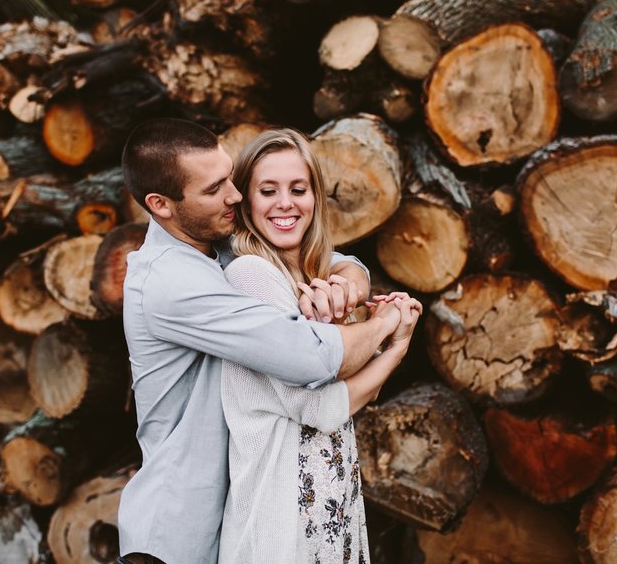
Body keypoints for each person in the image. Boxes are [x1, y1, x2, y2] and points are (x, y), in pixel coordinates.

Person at [119, 118, 410, 564]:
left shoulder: (208, 242)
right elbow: (312, 358)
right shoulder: (172, 283)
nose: (234, 196)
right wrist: (386, 327)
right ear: (161, 204)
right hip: (178, 536)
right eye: (216, 188)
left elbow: (307, 250)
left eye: (232, 180)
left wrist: (351, 278)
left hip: (235, 507)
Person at [220, 129, 421, 563]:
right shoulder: (251, 276)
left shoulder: (310, 273)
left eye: (298, 189)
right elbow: (320, 407)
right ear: (247, 201)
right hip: (281, 514)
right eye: (267, 190)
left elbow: (353, 383)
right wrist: (393, 343)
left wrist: (356, 288)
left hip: (332, 502)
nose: (285, 204)